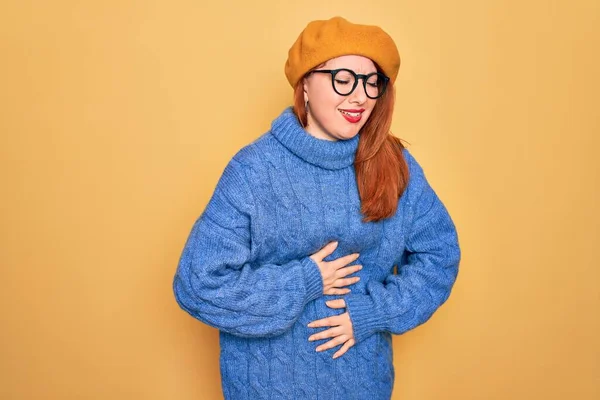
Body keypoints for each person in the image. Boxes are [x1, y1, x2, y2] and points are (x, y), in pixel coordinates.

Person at [173, 16, 460, 400]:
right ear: (305, 83)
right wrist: (305, 280)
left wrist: (372, 313)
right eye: (343, 79)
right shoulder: (255, 170)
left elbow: (440, 254)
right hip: (267, 387)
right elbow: (198, 283)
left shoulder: (393, 163)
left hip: (363, 386)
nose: (360, 96)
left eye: (371, 82)